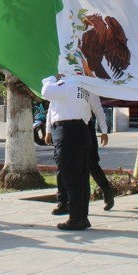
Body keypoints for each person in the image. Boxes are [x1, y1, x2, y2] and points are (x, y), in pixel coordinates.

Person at [49, 84, 115, 216]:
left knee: (90, 163)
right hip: (63, 129)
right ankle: (62, 202)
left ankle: (106, 190)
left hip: (84, 127)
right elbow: (52, 108)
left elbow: (97, 108)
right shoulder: (58, 86)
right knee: (62, 166)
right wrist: (48, 131)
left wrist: (104, 131)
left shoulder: (87, 84)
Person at [41, 72, 94, 230]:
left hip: (68, 131)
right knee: (81, 177)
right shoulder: (82, 87)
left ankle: (76, 219)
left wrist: (50, 78)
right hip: (82, 129)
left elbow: (45, 92)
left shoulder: (64, 85)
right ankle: (82, 217)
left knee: (71, 178)